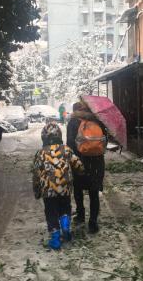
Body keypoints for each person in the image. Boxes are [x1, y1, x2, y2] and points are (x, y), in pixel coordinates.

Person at [32, 121, 84, 250]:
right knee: (65, 207)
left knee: (51, 212)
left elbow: (36, 174)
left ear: (43, 137)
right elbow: (78, 164)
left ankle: (55, 239)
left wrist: (37, 190)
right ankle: (65, 227)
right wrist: (81, 172)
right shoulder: (66, 149)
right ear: (59, 135)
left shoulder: (40, 153)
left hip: (48, 189)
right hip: (64, 187)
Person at [67, 102, 107, 234]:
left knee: (78, 189)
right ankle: (93, 222)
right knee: (94, 192)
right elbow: (104, 142)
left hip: (80, 161)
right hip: (96, 162)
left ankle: (80, 215)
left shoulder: (73, 122)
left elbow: (70, 143)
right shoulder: (98, 122)